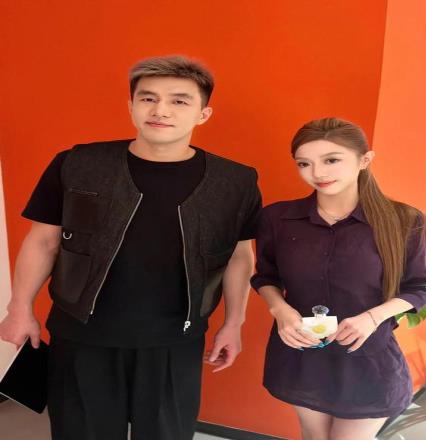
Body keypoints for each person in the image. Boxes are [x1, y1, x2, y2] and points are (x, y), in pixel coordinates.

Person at [0, 55, 261, 440]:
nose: (160, 110)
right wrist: (19, 309)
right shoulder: (78, 163)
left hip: (175, 339)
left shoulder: (235, 181)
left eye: (179, 101)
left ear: (203, 114)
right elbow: (43, 240)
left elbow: (240, 256)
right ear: (131, 106)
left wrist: (233, 323)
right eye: (148, 98)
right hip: (82, 334)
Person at [250, 117, 426, 440]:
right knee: (313, 435)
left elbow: (418, 288)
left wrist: (372, 318)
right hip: (302, 352)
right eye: (304, 163)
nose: (318, 173)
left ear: (364, 160)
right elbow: (266, 276)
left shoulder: (405, 221)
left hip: (366, 356)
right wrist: (280, 310)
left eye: (331, 160)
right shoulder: (277, 218)